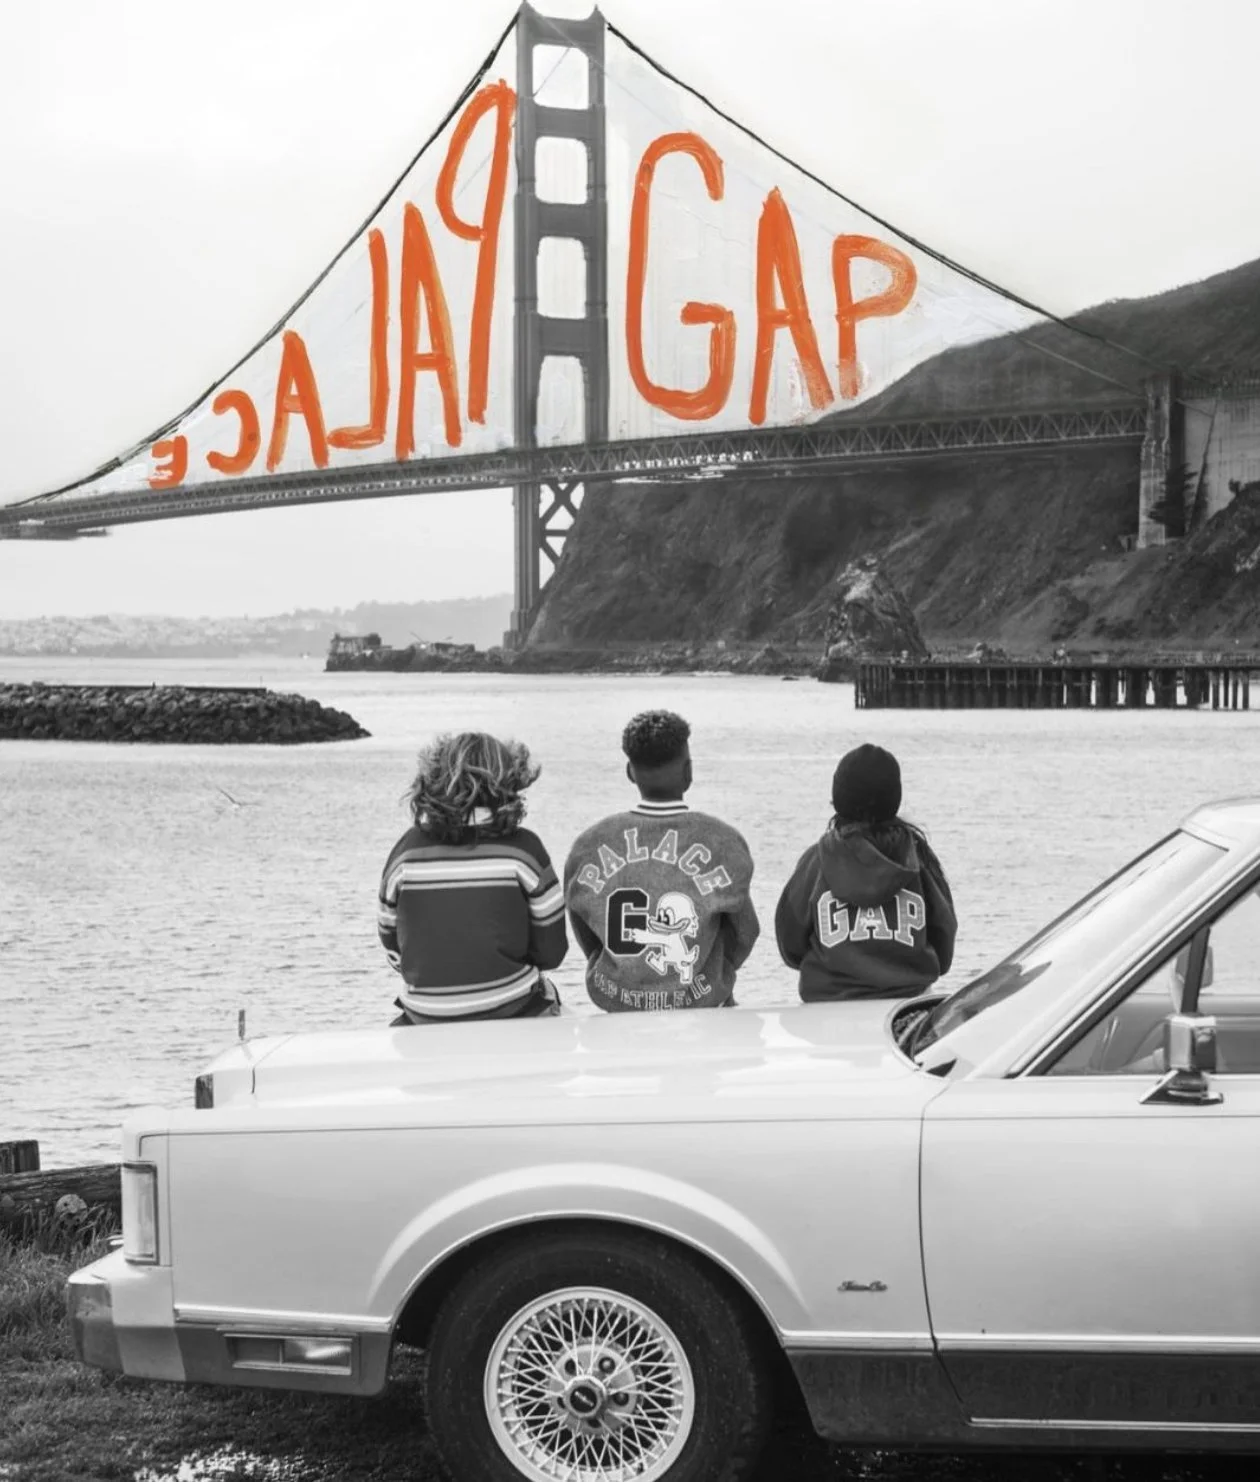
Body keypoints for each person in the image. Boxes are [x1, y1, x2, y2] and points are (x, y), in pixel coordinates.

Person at [564, 710, 760, 1011]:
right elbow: (744, 933)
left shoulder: (588, 845)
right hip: (704, 1004)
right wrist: (712, 974)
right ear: (688, 772)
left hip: (618, 1005)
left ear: (630, 772)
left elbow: (586, 930)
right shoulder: (724, 841)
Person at [377, 732, 567, 1023]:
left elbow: (392, 944)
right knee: (549, 994)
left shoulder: (406, 852)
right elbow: (552, 952)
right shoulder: (524, 851)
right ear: (510, 781)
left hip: (425, 1013)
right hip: (512, 1008)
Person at [775, 743, 956, 1001]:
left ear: (838, 798)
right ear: (894, 799)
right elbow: (944, 943)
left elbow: (790, 944)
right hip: (908, 1008)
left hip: (827, 1010)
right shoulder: (919, 860)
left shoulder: (816, 862)